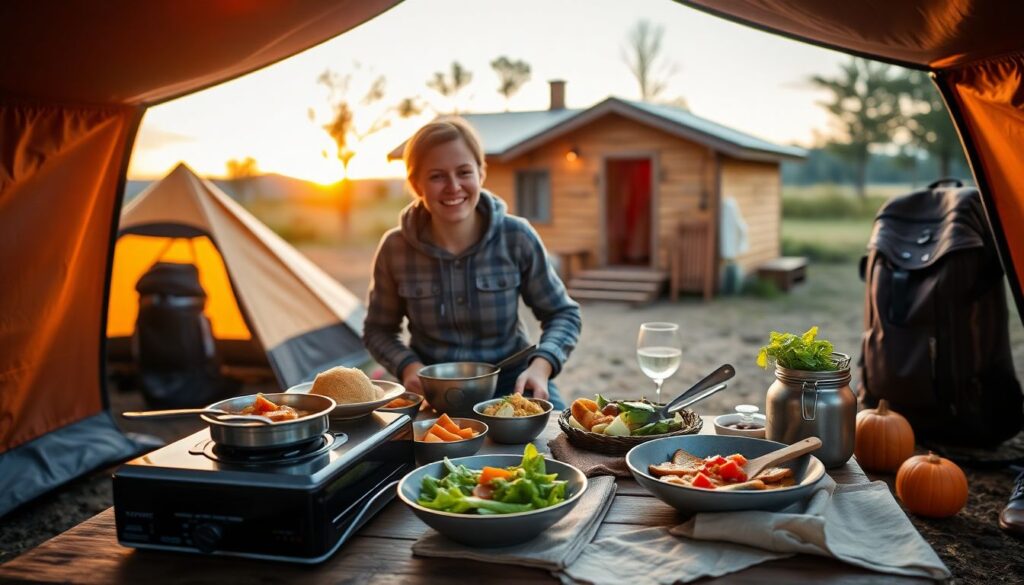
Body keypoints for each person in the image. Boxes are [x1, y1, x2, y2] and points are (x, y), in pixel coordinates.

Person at [362, 118, 581, 410]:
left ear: (481, 172)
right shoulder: (394, 247)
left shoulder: (517, 236)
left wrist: (542, 365)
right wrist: (407, 366)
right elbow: (378, 329)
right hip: (433, 391)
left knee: (560, 445)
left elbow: (563, 313)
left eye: (464, 172)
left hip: (515, 384)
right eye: (437, 176)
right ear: (416, 184)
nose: (453, 187)